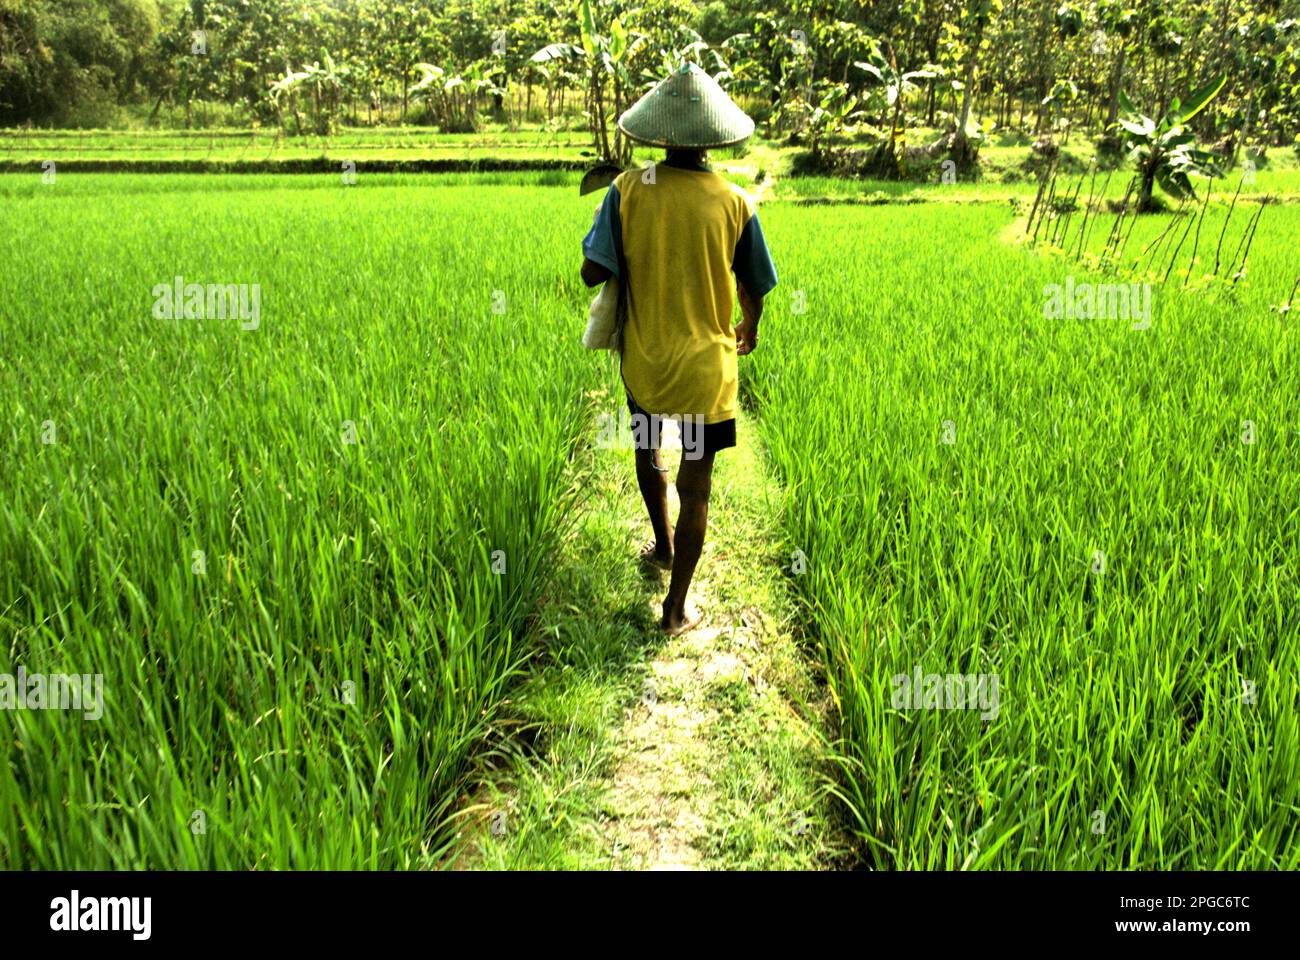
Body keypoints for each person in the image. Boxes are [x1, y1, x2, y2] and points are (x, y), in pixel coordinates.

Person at [580, 63, 778, 636]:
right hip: (703, 374)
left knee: (648, 453)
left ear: (662, 133)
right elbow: (753, 285)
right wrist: (750, 325)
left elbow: (593, 272)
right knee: (697, 488)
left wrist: (616, 223)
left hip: (646, 365)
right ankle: (676, 607)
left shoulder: (628, 191)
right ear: (713, 139)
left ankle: (663, 547)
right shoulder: (736, 202)